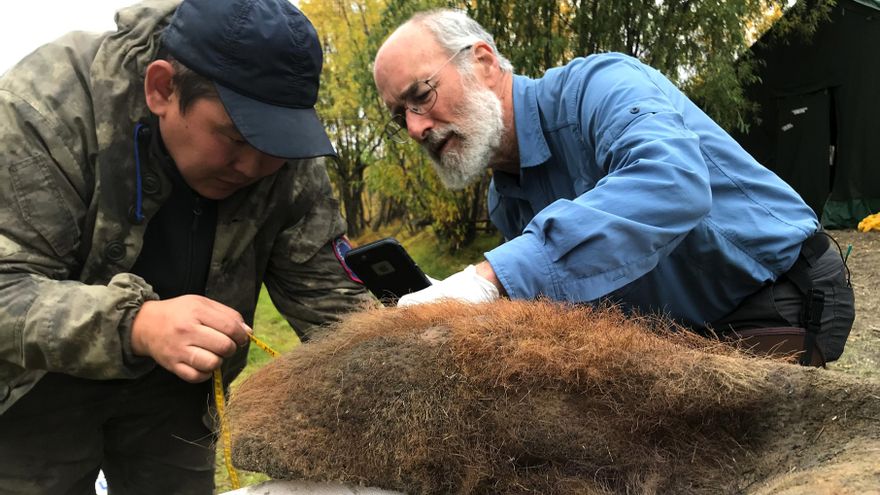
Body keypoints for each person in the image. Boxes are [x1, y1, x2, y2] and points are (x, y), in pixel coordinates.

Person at [0, 0, 370, 492]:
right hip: (35, 386)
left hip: (176, 394)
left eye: (275, 147)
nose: (255, 167)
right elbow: (6, 289)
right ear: (162, 88)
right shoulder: (45, 109)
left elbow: (334, 305)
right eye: (235, 138)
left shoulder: (285, 153)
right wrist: (135, 323)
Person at [372, 9, 854, 366]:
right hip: (680, 330)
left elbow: (673, 184)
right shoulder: (505, 198)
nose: (416, 129)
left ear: (483, 60)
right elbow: (560, 292)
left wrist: (490, 278)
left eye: (421, 95)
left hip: (775, 293)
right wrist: (464, 302)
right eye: (401, 117)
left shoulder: (601, 86)